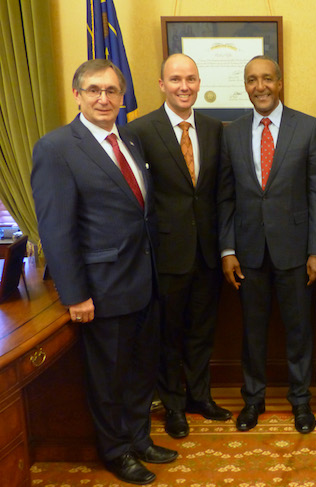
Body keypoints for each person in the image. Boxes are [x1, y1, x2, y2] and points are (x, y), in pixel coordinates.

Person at [31, 59, 177, 485]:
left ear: (123, 96)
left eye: (112, 91)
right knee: (109, 377)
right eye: (94, 90)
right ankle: (116, 451)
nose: (104, 98)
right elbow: (56, 228)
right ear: (77, 94)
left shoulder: (128, 139)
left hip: (144, 281)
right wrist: (75, 294)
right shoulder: (56, 147)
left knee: (140, 370)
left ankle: (139, 438)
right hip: (102, 288)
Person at [217, 55, 316, 433]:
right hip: (248, 252)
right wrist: (228, 250)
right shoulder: (231, 132)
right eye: (252, 80)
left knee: (298, 331)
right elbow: (226, 197)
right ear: (245, 86)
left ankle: (301, 401)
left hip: (296, 252)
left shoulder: (308, 127)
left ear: (279, 83)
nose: (260, 86)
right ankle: (253, 400)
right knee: (252, 332)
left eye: (267, 79)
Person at [128, 53, 231, 440]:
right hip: (166, 254)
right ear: (161, 84)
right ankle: (172, 405)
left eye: (190, 79)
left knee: (202, 331)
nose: (184, 86)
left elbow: (218, 192)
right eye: (175, 79)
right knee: (168, 334)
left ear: (199, 82)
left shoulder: (213, 128)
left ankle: (199, 397)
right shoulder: (140, 130)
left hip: (207, 251)